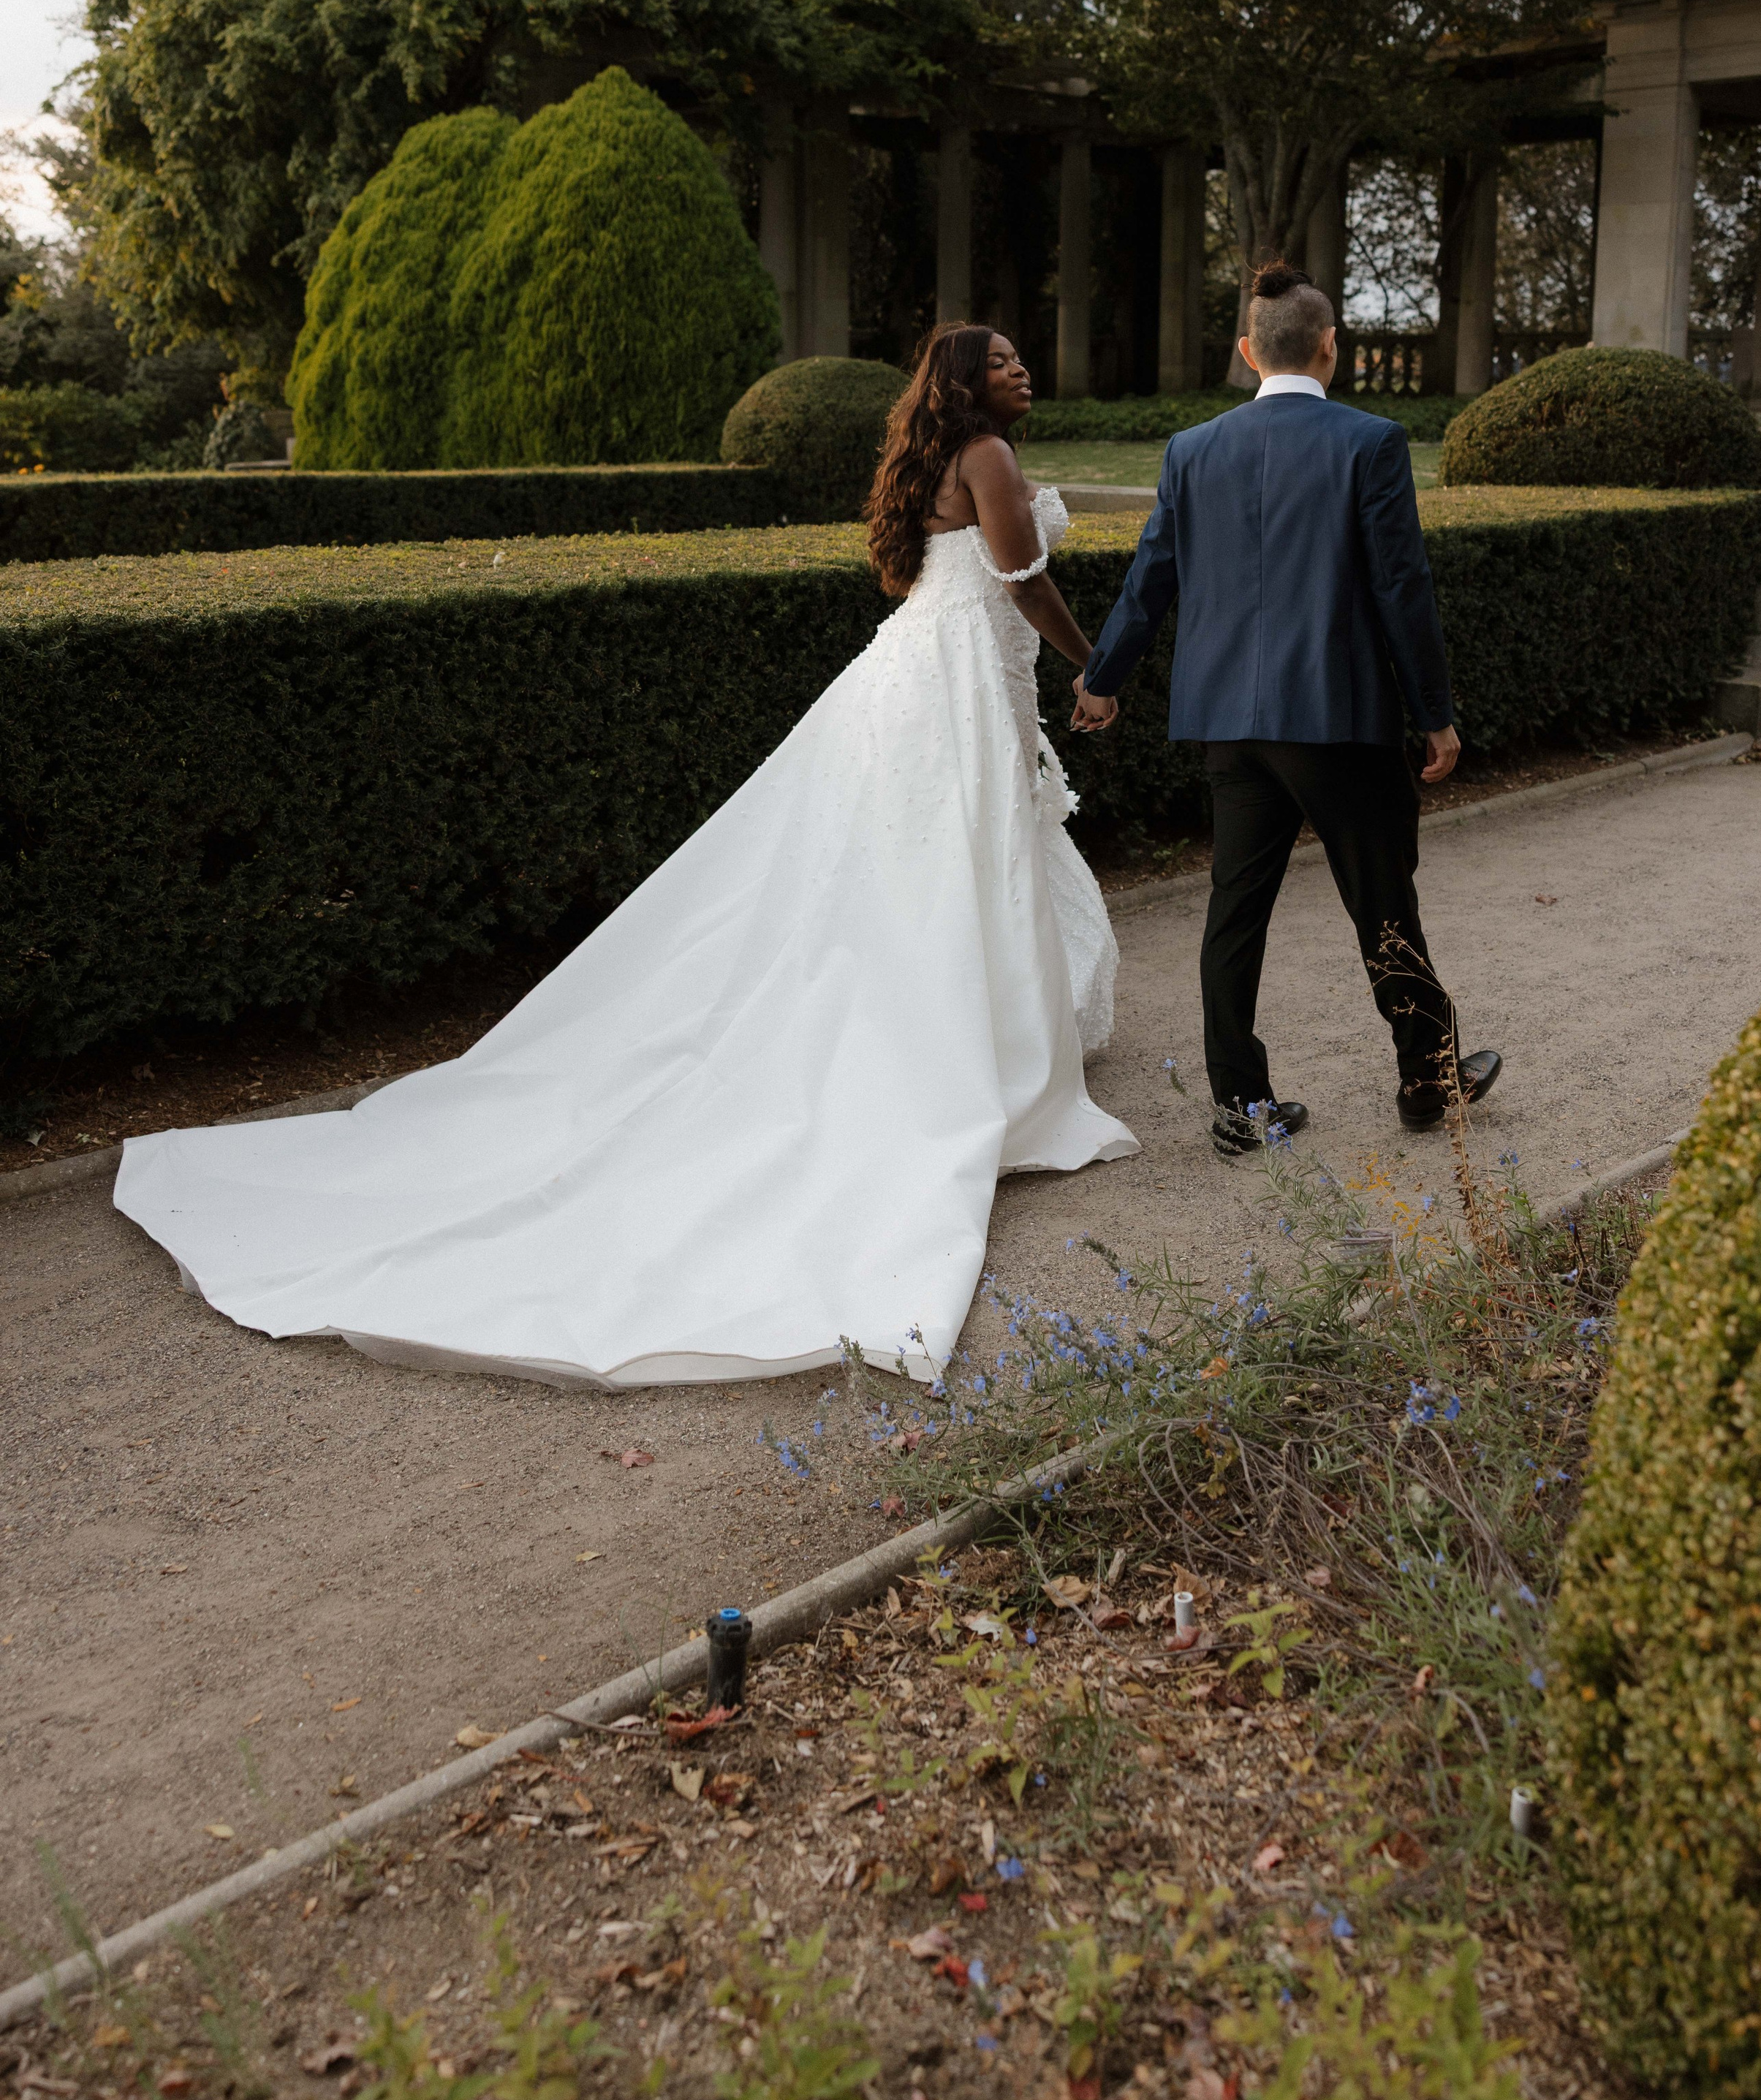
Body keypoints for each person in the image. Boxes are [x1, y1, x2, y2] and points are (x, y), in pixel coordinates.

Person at [115, 325, 1137, 1392]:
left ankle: (949, 1025)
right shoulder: (989, 456)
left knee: (909, 864)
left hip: (920, 664)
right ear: (969, 384)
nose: (1023, 367)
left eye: (1025, 357)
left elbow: (942, 575)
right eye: (1005, 359)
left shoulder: (939, 456)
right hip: (963, 673)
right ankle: (969, 1052)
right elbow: (1021, 579)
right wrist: (1099, 661)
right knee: (958, 860)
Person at [1072, 262, 1500, 1151]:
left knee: (1235, 908)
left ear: (1244, 353)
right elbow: (1402, 588)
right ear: (1329, 347)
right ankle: (1426, 1079)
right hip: (1336, 716)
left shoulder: (1191, 450)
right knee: (1382, 900)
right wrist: (1434, 712)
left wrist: (1103, 679)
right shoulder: (1369, 441)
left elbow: (1152, 577)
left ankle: (1242, 1106)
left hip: (1227, 721)